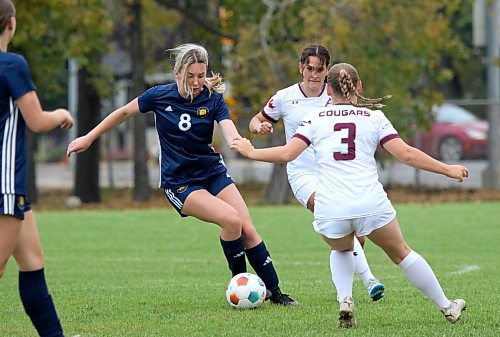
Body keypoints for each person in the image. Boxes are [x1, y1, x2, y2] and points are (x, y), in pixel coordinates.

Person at [232, 62, 467, 327]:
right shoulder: (374, 118)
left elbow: (287, 154)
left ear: (328, 91)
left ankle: (345, 299)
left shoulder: (314, 119)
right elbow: (407, 155)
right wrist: (447, 169)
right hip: (371, 202)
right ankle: (447, 306)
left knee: (341, 249)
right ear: (359, 87)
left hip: (331, 205)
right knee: (402, 253)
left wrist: (250, 152)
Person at [66, 43, 298, 306]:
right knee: (231, 221)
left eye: (201, 75)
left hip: (212, 172)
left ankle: (277, 293)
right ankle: (241, 286)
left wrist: (241, 142)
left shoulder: (213, 99)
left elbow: (229, 132)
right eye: (191, 76)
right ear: (177, 73)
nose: (197, 82)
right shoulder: (158, 96)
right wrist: (88, 137)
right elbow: (122, 113)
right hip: (180, 182)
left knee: (247, 228)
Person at [249, 44, 385, 301]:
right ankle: (370, 280)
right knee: (332, 216)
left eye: (319, 70)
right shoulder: (284, 97)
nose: (313, 74)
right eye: (309, 68)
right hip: (303, 174)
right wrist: (259, 127)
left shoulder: (335, 95)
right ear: (301, 67)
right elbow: (256, 119)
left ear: (327, 71)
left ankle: (352, 290)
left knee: (357, 238)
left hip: (336, 173)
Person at [0, 1, 74, 336]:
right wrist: (61, 114)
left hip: (11, 189)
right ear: (10, 24)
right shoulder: (11, 64)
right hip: (4, 185)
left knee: (32, 262)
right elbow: (37, 120)